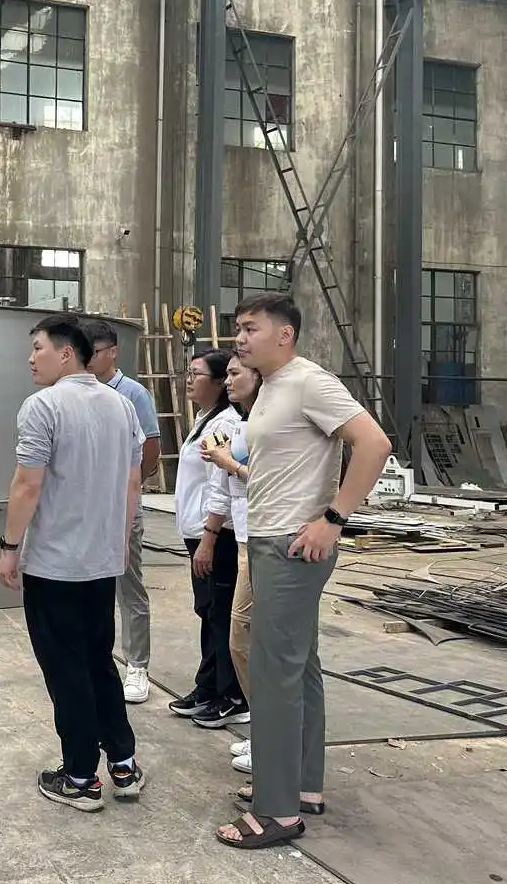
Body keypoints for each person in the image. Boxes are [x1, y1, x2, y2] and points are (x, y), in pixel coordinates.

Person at [215, 292, 392, 850]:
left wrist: (333, 519)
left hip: (292, 545)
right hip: (270, 539)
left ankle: (276, 812)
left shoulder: (310, 382)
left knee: (273, 673)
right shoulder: (271, 387)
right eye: (238, 328)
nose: (240, 338)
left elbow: (374, 444)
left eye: (250, 328)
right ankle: (302, 786)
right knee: (299, 666)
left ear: (284, 334)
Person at [0, 314, 147, 813]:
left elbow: (27, 484)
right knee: (98, 661)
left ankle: (81, 776)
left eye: (37, 348)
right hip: (102, 562)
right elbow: (133, 483)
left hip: (55, 566)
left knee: (67, 670)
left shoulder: (43, 406)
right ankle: (123, 764)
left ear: (66, 353)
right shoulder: (121, 405)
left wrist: (9, 546)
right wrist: (119, 542)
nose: (30, 359)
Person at [81, 318, 162, 705]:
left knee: (128, 585)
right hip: (84, 505)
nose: (88, 359)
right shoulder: (77, 391)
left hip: (121, 504)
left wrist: (128, 487)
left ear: (113, 352)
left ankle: (137, 665)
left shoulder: (133, 394)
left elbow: (151, 450)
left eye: (94, 352)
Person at [166, 348, 245, 727]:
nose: (188, 380)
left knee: (221, 613)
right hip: (198, 532)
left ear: (217, 383)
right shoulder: (205, 419)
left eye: (196, 374)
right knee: (209, 612)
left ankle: (232, 695)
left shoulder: (225, 423)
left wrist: (209, 539)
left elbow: (221, 487)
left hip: (215, 534)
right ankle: (209, 685)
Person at [201, 356, 261, 761]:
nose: (228, 381)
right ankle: (264, 728)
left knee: (247, 637)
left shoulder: (267, 422)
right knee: (239, 638)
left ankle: (271, 736)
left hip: (266, 540)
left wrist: (230, 463)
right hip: (243, 538)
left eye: (235, 373)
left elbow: (273, 481)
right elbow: (224, 487)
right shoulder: (239, 422)